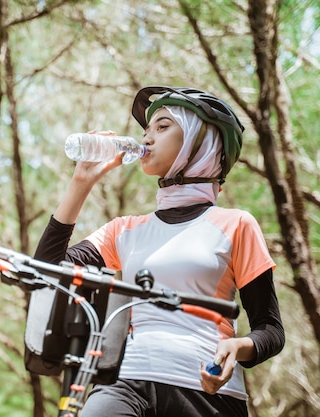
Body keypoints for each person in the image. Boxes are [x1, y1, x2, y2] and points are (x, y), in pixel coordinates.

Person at [33, 86, 285, 416]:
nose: (147, 138)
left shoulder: (235, 224)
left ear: (201, 142)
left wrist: (237, 347)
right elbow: (47, 272)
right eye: (146, 130)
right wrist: (80, 184)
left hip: (206, 390)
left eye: (163, 127)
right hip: (125, 381)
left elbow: (271, 329)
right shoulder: (124, 229)